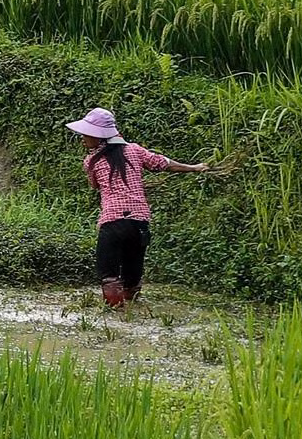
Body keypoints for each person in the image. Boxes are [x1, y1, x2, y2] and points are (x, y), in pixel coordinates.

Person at [64, 107, 211, 309]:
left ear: (99, 136)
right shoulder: (134, 150)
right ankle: (134, 309)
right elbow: (163, 163)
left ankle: (116, 313)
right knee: (133, 273)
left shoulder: (92, 161)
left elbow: (95, 185)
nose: (83, 138)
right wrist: (194, 168)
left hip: (113, 221)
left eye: (86, 134)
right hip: (139, 222)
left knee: (109, 274)